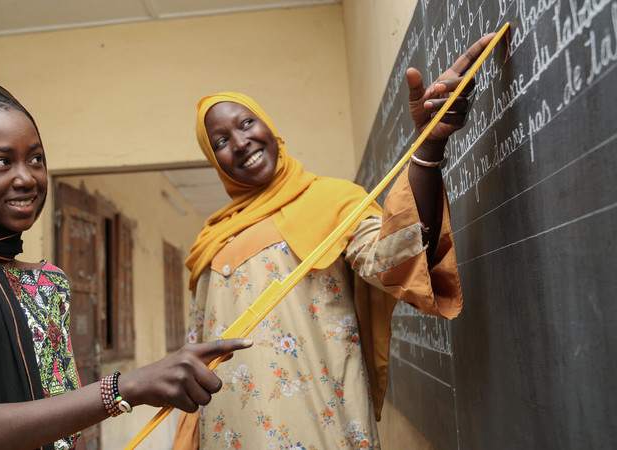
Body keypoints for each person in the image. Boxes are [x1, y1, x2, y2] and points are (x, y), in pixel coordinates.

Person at [0, 83, 253, 450]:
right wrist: (125, 387)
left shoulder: (47, 282)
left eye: (35, 158)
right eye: (2, 161)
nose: (27, 178)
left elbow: (66, 421)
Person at [175, 34, 496, 449]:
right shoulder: (211, 240)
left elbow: (400, 256)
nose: (239, 142)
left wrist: (429, 144)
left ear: (269, 127)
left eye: (246, 123)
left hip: (320, 430)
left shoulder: (332, 200)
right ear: (214, 160)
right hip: (229, 435)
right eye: (220, 142)